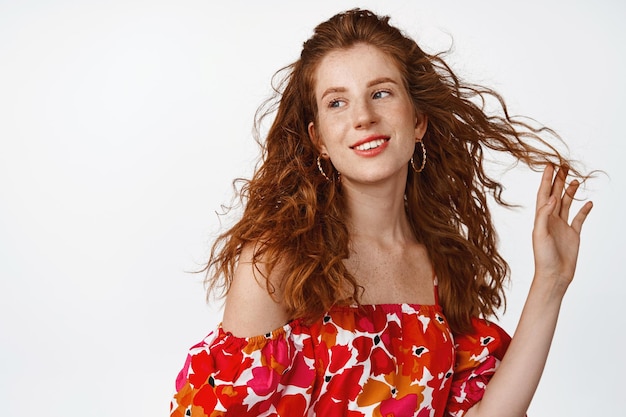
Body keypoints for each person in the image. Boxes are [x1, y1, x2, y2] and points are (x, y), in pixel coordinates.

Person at [170, 8, 593, 417]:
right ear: (318, 139)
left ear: (418, 121)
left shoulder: (439, 264)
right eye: (337, 102)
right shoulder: (276, 262)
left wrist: (551, 282)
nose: (364, 117)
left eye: (381, 93)